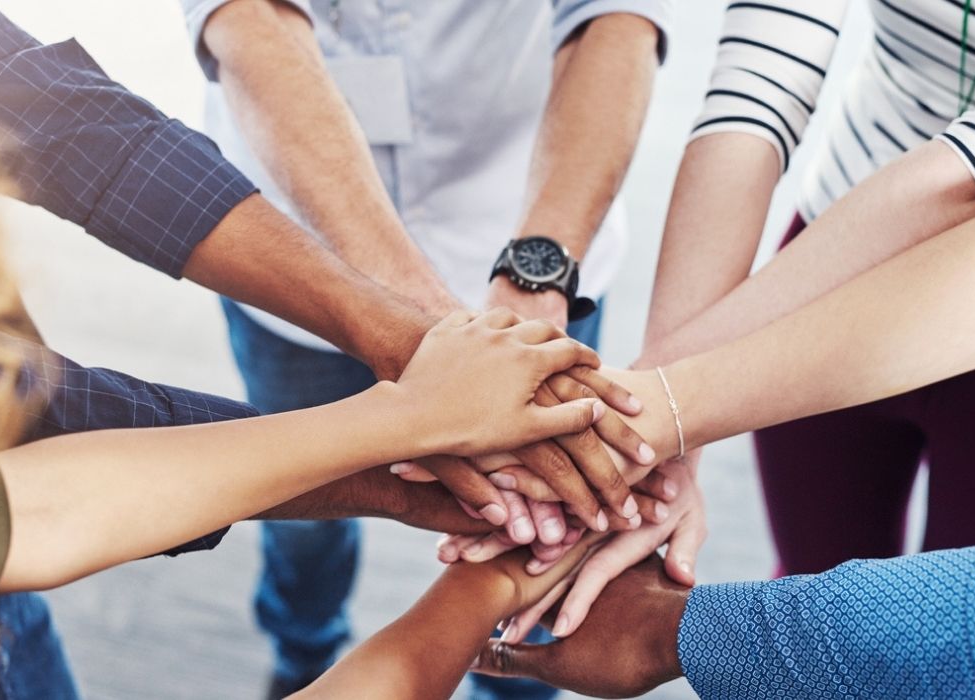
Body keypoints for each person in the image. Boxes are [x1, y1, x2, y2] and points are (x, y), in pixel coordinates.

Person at [0, 1, 655, 697]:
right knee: (317, 554)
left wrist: (423, 374)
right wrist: (407, 431)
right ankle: (302, 647)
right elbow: (13, 464)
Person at [179, 1, 672, 696]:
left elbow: (616, 16)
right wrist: (443, 335)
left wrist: (537, 272)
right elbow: (249, 19)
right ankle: (305, 656)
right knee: (297, 513)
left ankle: (516, 682)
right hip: (296, 267)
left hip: (536, 243)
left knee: (545, 524)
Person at [640, 0, 975, 579]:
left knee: (967, 656)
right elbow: (756, 88)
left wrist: (641, 407)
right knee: (808, 608)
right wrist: (651, 417)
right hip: (828, 262)